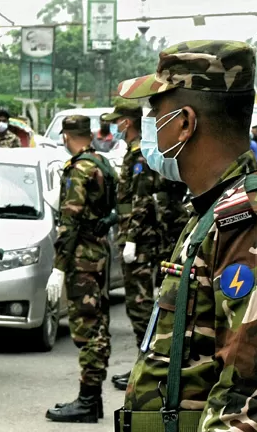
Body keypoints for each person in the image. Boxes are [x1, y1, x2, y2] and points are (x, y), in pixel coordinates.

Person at [114, 40, 257, 432]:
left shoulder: (250, 220)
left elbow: (255, 391)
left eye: (154, 111)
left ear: (183, 123)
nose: (148, 127)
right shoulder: (215, 212)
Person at [102, 98, 189, 391]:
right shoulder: (135, 152)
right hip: (143, 236)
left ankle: (149, 366)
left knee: (138, 303)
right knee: (142, 303)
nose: (115, 126)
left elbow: (141, 201)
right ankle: (148, 363)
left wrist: (130, 240)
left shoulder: (140, 155)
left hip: (142, 240)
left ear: (128, 122)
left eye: (118, 121)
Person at [45, 115, 117, 423]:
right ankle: (93, 397)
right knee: (99, 324)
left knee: (87, 329)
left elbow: (70, 221)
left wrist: (59, 266)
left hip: (82, 259)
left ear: (66, 136)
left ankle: (88, 400)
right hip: (99, 252)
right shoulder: (103, 164)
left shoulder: (79, 169)